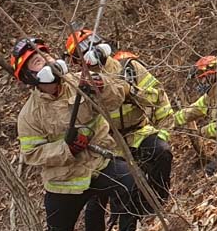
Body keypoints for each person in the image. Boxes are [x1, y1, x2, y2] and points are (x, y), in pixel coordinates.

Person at [11, 37, 141, 231]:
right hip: (63, 183)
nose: (45, 61)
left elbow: (118, 96)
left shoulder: (80, 81)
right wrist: (67, 149)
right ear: (29, 76)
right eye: (36, 61)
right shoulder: (29, 116)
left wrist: (102, 87)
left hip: (97, 164)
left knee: (131, 181)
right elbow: (32, 154)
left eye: (45, 55)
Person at [65, 29, 174, 210]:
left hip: (139, 132)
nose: (92, 50)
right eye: (82, 49)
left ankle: (159, 204)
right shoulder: (78, 84)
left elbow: (158, 98)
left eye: (93, 42)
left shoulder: (129, 68)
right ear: (76, 61)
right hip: (109, 143)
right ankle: (126, 229)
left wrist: (163, 130)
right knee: (117, 191)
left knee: (162, 152)